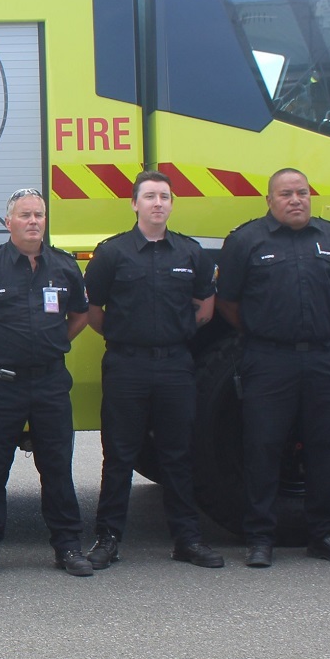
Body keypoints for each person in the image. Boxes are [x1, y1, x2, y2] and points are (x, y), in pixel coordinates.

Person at [217, 167, 330, 568]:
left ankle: (325, 534)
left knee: (327, 445)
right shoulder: (246, 240)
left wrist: (316, 325)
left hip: (324, 358)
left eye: (302, 192)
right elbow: (227, 302)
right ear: (269, 200)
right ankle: (260, 537)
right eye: (285, 193)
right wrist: (266, 330)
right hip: (268, 359)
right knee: (262, 446)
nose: (295, 199)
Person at [83, 170, 223, 569]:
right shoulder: (112, 253)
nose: (157, 203)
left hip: (176, 365)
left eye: (164, 196)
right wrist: (129, 337)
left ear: (172, 204)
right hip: (127, 364)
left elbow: (205, 307)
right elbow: (94, 312)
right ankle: (108, 539)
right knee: (120, 455)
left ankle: (187, 539)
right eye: (149, 196)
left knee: (178, 454)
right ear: (134, 204)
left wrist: (170, 336)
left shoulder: (190, 253)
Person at [0, 186, 90, 579]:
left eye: (39, 215)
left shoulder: (63, 267)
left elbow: (80, 314)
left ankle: (67, 546)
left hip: (49, 382)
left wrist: (56, 343)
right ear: (7, 221)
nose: (33, 221)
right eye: (25, 215)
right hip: (2, 384)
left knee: (58, 468)